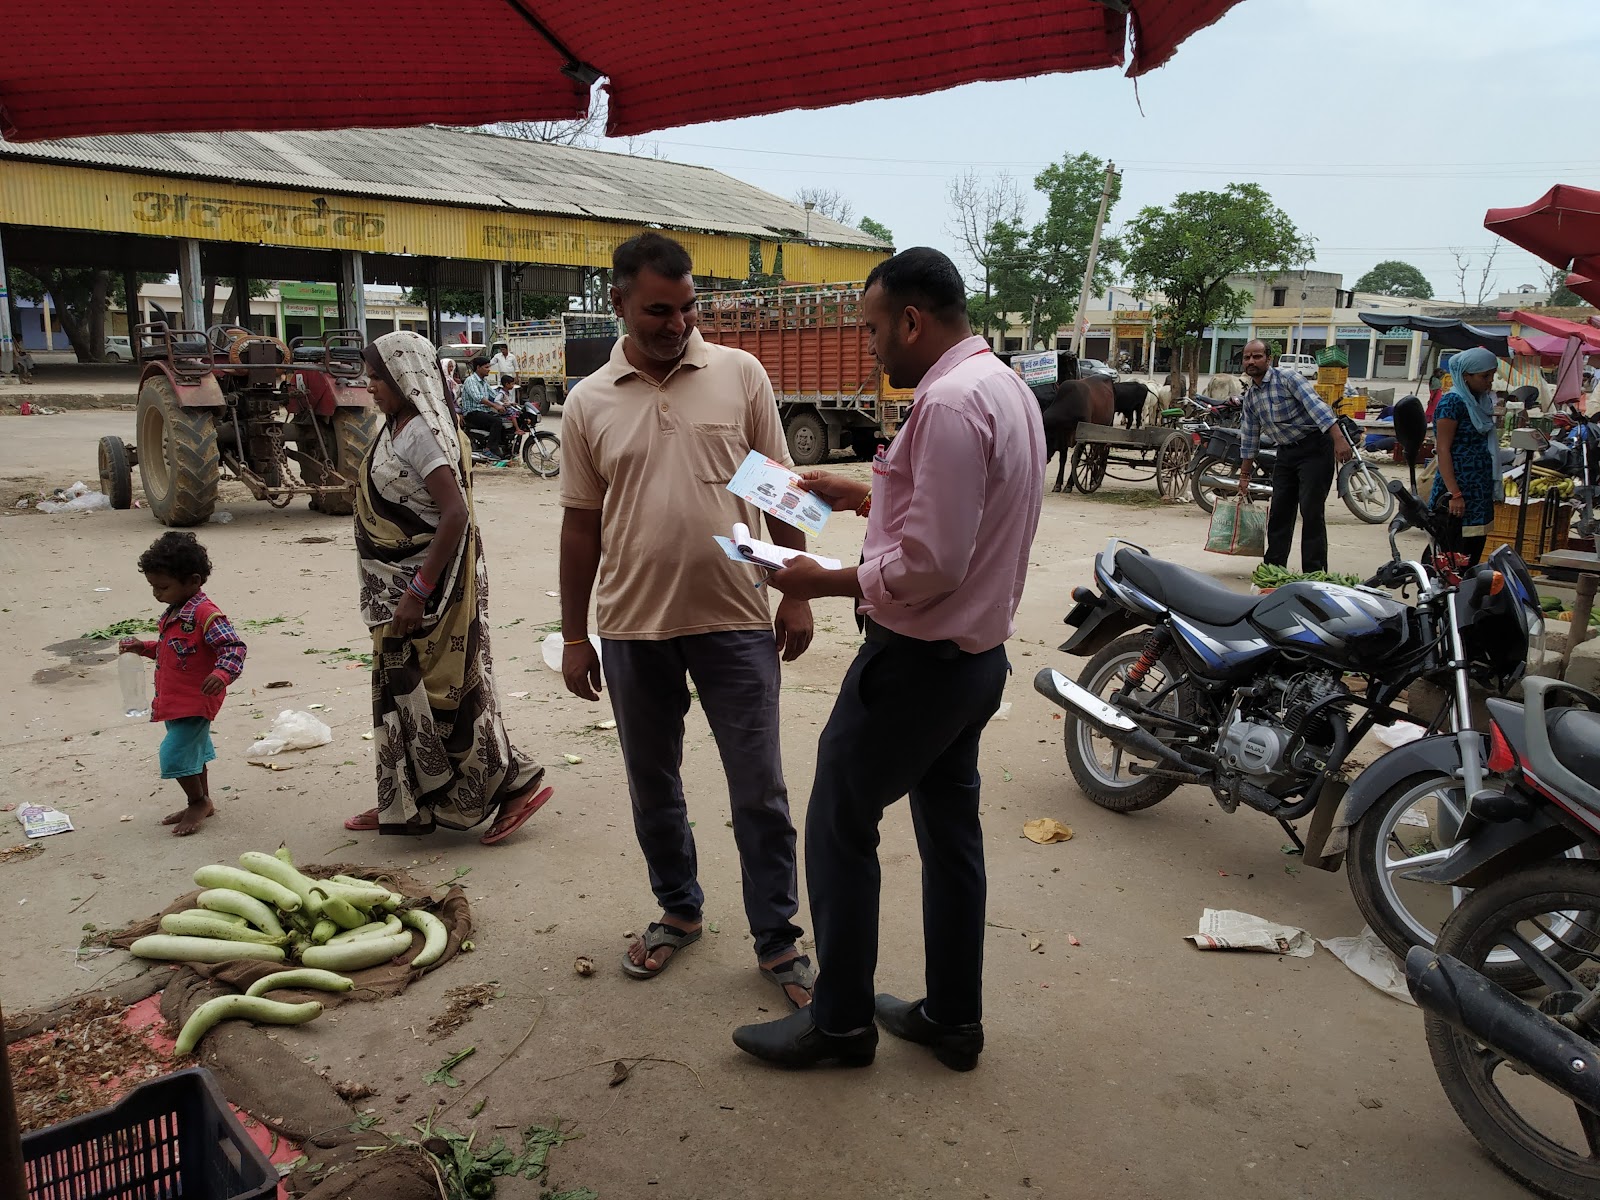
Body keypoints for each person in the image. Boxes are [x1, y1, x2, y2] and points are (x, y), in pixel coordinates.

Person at [730, 247, 1045, 1071]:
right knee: (950, 835)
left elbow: (933, 563)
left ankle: (837, 1023)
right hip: (975, 664)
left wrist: (821, 577)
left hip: (916, 663)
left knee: (839, 818)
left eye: (873, 328)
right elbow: (965, 514)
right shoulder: (1002, 386)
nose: (870, 345)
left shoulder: (944, 402)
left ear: (912, 320)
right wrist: (860, 493)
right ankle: (953, 1016)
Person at [558, 232, 818, 1008]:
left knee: (760, 790)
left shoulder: (739, 375)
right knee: (654, 786)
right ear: (619, 303)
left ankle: (778, 938)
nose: (677, 324)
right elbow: (580, 525)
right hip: (634, 628)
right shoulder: (589, 400)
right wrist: (576, 635)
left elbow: (782, 490)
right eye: (658, 311)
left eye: (689, 307)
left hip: (736, 619)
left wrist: (796, 590)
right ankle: (679, 909)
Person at [341, 331, 550, 843]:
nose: (370, 386)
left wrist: (417, 591)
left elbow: (453, 513)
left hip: (427, 592)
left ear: (402, 378)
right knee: (400, 693)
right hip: (391, 592)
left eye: (377, 377)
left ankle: (515, 783)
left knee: (443, 695)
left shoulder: (421, 433)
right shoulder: (393, 427)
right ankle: (403, 797)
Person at [118, 532, 247, 837]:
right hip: (174, 700)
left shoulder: (206, 615)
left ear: (193, 580)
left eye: (162, 587)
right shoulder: (174, 612)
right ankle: (203, 800)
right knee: (192, 753)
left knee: (175, 754)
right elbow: (172, 649)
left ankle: (197, 801)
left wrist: (221, 674)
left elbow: (234, 648)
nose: (156, 594)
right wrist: (143, 647)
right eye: (153, 587)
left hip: (196, 699)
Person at [1237, 339, 1353, 574]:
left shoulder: (1288, 379)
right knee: (1280, 511)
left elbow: (1318, 408)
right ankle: (1273, 569)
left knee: (1311, 511)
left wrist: (1339, 439)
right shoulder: (1250, 397)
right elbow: (1250, 437)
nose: (1252, 361)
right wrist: (1244, 475)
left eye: (1257, 356)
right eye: (1247, 357)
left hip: (1314, 449)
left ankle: (1314, 572)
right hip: (1286, 453)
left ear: (1268, 359)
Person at [1428, 345, 1501, 566]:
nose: (1490, 381)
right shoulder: (1452, 402)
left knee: (1471, 554)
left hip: (1477, 493)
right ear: (1466, 376)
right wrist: (1455, 494)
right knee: (1451, 556)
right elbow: (1443, 449)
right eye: (1484, 376)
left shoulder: (1480, 402)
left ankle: (1465, 599)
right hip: (1457, 490)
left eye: (1492, 375)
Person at [459, 355, 508, 459]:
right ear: (478, 368)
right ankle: (489, 449)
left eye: (489, 367)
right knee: (496, 422)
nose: (489, 370)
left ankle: (502, 449)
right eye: (486, 367)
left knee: (504, 423)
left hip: (483, 411)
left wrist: (507, 403)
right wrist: (495, 406)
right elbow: (479, 398)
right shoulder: (471, 381)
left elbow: (494, 395)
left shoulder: (484, 382)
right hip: (472, 412)